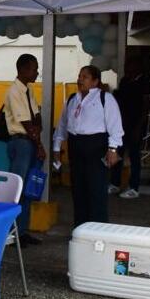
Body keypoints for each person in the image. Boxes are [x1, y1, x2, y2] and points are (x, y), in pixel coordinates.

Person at [53, 65, 124, 228]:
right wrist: (57, 147)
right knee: (78, 189)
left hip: (96, 146)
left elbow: (115, 127)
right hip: (75, 145)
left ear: (95, 81)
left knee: (96, 190)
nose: (80, 80)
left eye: (85, 77)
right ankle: (80, 229)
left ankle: (98, 230)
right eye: (79, 76)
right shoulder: (72, 99)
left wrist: (113, 149)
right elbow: (62, 125)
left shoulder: (105, 98)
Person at [3, 54, 45, 246]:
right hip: (21, 142)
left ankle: (23, 231)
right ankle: (9, 232)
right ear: (22, 69)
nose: (37, 72)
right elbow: (27, 123)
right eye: (33, 68)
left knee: (28, 189)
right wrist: (39, 145)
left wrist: (37, 138)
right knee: (17, 188)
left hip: (31, 140)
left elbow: (38, 118)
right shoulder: (14, 91)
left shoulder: (29, 90)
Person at [110, 56, 150, 199]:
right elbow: (119, 100)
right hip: (122, 123)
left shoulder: (144, 83)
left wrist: (139, 126)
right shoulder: (125, 81)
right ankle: (114, 183)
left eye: (131, 67)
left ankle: (134, 187)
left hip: (135, 124)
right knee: (117, 153)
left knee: (134, 156)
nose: (128, 69)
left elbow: (145, 106)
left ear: (138, 67)